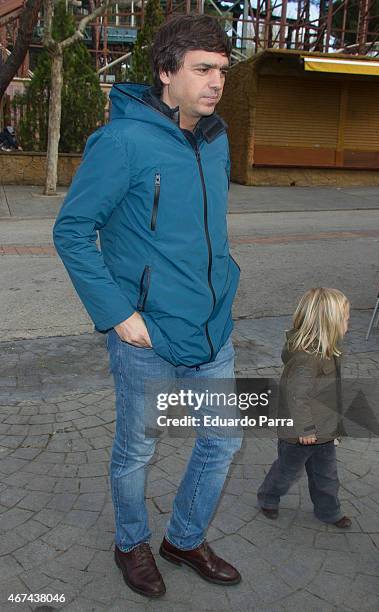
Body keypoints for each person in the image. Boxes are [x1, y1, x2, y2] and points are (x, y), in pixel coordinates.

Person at [53, 15, 242, 599]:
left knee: (224, 439)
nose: (216, 82)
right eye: (203, 69)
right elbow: (72, 231)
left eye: (223, 71)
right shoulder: (122, 141)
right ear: (166, 72)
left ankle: (183, 538)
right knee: (138, 446)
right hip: (147, 334)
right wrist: (118, 316)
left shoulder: (217, 138)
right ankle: (131, 540)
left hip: (212, 328)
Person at [257, 288, 352, 528]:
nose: (348, 322)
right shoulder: (307, 359)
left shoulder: (327, 349)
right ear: (328, 323)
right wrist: (306, 429)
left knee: (326, 476)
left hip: (324, 431)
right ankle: (268, 497)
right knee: (287, 471)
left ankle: (328, 511)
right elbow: (297, 396)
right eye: (346, 318)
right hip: (300, 434)